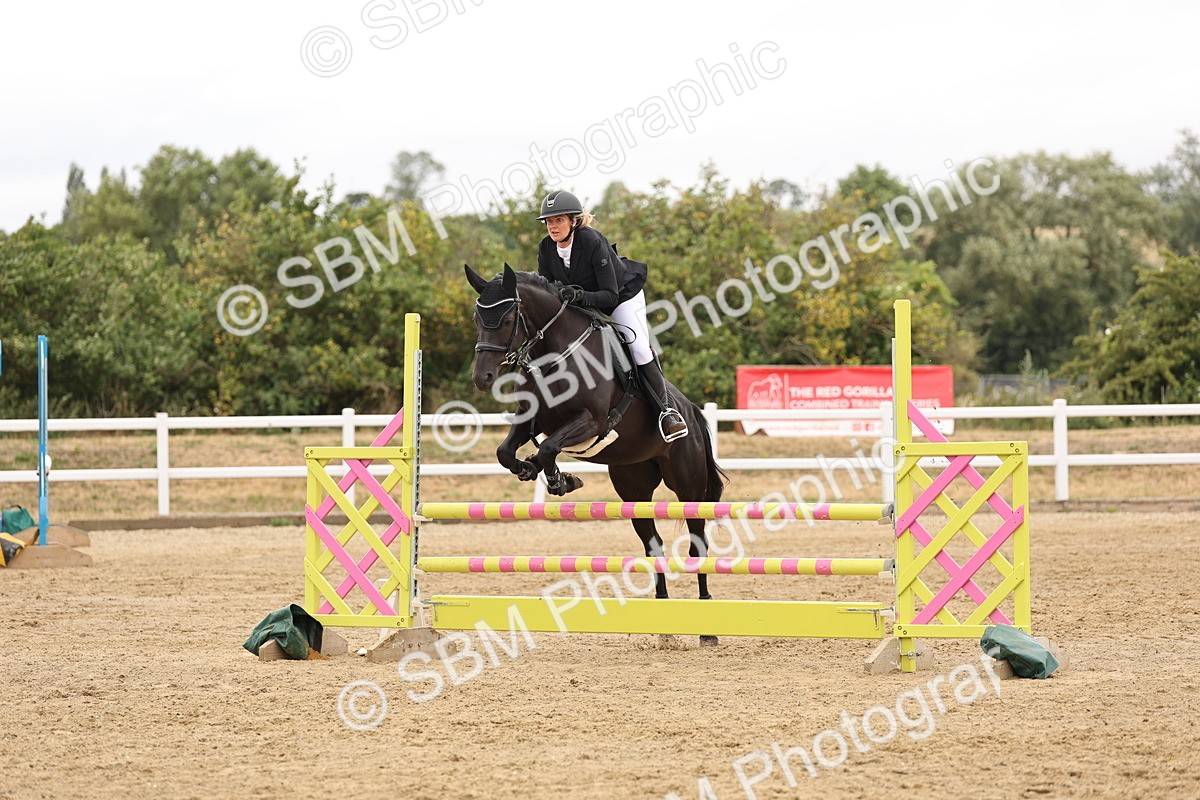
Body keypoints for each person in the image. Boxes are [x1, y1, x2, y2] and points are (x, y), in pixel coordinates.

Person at [535, 189, 688, 442]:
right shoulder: (546, 248)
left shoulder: (591, 241)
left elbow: (610, 295)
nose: (553, 226)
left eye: (558, 220)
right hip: (584, 302)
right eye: (549, 221)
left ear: (573, 221)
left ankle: (667, 412)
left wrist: (578, 296)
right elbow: (549, 290)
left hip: (621, 297)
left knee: (638, 348)